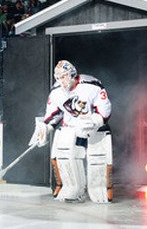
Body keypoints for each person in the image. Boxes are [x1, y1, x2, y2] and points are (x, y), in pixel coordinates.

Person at [29, 60, 113, 203]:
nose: (62, 80)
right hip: (71, 126)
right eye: (59, 77)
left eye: (64, 76)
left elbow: (104, 108)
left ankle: (99, 189)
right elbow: (53, 114)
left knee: (97, 157)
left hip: (93, 126)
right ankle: (71, 188)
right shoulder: (56, 91)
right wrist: (46, 127)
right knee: (63, 154)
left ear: (72, 74)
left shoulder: (92, 85)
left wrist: (96, 120)